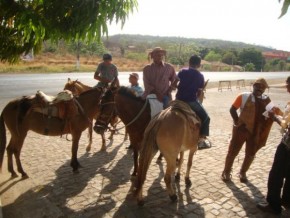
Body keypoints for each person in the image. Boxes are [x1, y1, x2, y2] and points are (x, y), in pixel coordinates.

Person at [221, 78, 274, 183]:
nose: (259, 88)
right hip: (241, 130)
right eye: (257, 85)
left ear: (265, 89)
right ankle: (226, 172)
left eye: (262, 87)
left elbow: (271, 114)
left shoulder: (267, 100)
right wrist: (237, 121)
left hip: (255, 132)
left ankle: (243, 172)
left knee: (251, 153)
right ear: (253, 85)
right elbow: (232, 109)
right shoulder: (243, 96)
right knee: (233, 151)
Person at [257, 76, 290, 215]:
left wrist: (274, 116)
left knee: (276, 174)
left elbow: (287, 125)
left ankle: (274, 204)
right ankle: (287, 201)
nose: (287, 88)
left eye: (288, 85)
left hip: (287, 145)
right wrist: (281, 114)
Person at [175, 55, 211, 149]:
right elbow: (199, 93)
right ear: (199, 65)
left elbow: (175, 84)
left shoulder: (182, 71)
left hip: (178, 100)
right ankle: (201, 141)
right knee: (207, 118)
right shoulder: (200, 76)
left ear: (189, 62)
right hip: (191, 101)